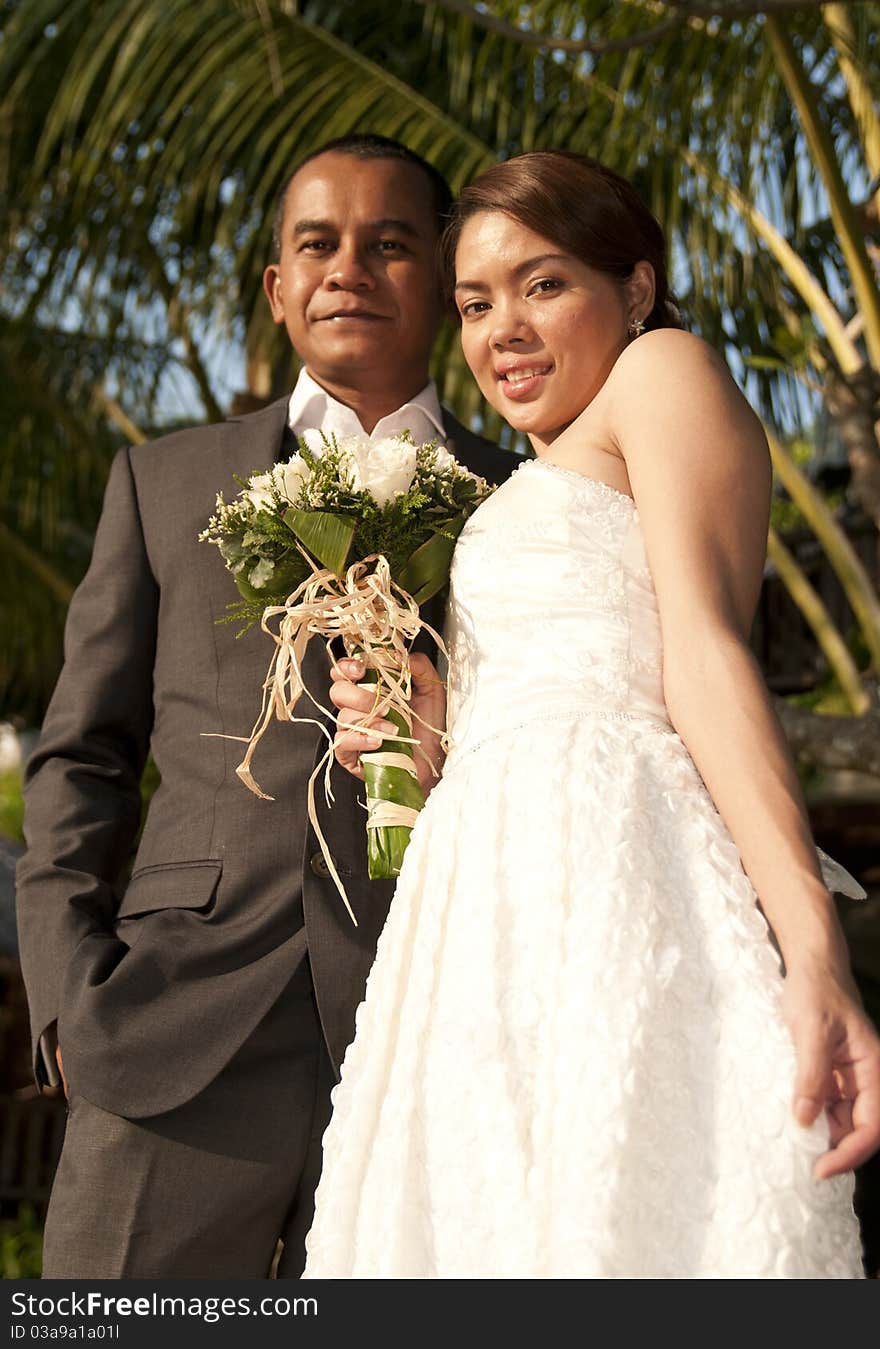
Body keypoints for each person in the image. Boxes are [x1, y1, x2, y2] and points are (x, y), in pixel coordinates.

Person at [303, 150, 880, 1279]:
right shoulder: (522, 478)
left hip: (611, 875)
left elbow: (703, 652)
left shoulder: (659, 372)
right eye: (474, 302)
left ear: (638, 288)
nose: (501, 328)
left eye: (543, 283)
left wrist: (814, 946)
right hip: (476, 919)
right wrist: (426, 736)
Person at [15, 134, 514, 1279]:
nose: (350, 268)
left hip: (444, 1028)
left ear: (441, 276)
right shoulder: (165, 481)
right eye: (317, 244)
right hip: (175, 1026)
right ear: (278, 285)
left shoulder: (528, 497)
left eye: (390, 244)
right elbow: (80, 752)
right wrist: (67, 1005)